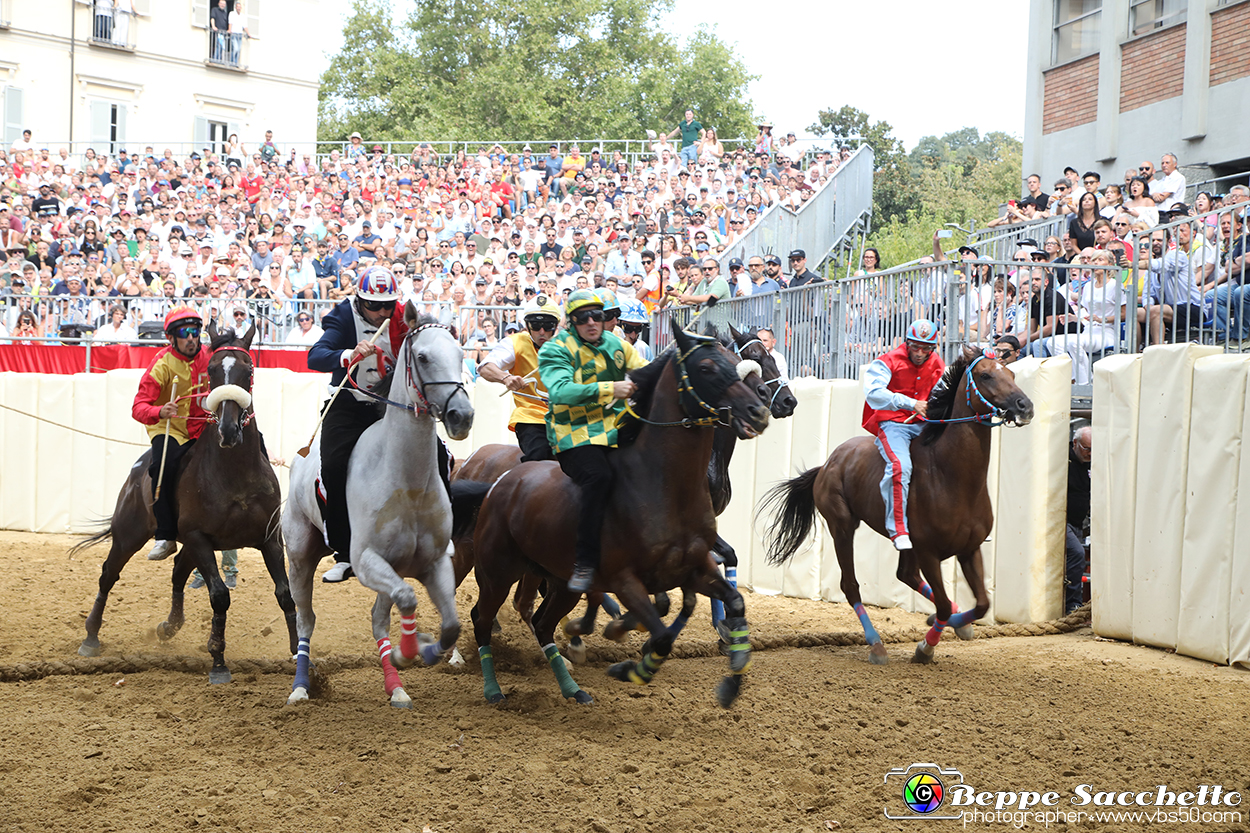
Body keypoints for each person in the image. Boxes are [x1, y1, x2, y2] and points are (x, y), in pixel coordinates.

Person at [307, 266, 446, 583]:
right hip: (349, 402)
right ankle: (344, 553)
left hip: (391, 406)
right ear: (359, 301)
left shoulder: (404, 316)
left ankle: (442, 534)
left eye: (387, 305)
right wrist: (347, 354)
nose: (382, 312)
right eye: (374, 305)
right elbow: (315, 357)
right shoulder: (342, 317)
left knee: (438, 454)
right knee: (334, 464)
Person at [537, 289, 647, 592]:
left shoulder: (617, 345)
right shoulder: (554, 349)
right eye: (583, 317)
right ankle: (584, 561)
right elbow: (560, 391)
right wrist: (611, 388)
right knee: (598, 477)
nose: (591, 322)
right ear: (572, 321)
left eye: (597, 316)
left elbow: (644, 372)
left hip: (616, 427)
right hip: (573, 435)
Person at [131, 306, 211, 561]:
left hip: (204, 425)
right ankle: (165, 535)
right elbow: (138, 407)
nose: (191, 338)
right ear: (171, 338)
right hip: (171, 428)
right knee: (163, 466)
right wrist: (159, 411)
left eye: (195, 331)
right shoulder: (161, 364)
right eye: (185, 332)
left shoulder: (210, 357)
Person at [860, 319, 946, 551]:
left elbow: (941, 394)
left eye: (925, 348)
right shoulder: (886, 361)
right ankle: (898, 529)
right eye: (915, 346)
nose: (920, 353)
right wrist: (910, 403)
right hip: (893, 424)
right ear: (906, 343)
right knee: (901, 466)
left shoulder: (938, 364)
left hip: (925, 424)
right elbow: (874, 394)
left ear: (933, 348)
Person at [477, 295, 561, 462]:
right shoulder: (514, 343)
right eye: (536, 326)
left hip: (567, 416)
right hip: (531, 416)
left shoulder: (568, 345)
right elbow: (485, 367)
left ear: (556, 326)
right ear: (527, 326)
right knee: (539, 455)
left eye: (548, 325)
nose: (542, 332)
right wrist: (506, 378)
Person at [1065, 425, 1092, 614]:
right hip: (1061, 520)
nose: (1090, 454)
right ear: (1075, 443)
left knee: (1075, 556)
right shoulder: (1063, 460)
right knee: (1077, 553)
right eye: (1087, 448)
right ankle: (1072, 602)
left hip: (1078, 522)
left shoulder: (1091, 464)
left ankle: (1071, 601)